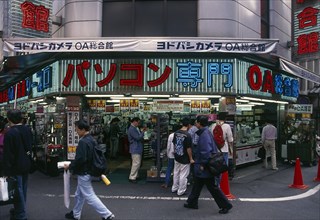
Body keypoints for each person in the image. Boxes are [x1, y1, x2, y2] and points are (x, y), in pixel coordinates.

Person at [64, 119, 115, 220]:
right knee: (79, 194)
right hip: (90, 170)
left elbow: (80, 159)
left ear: (82, 129)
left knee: (89, 196)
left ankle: (107, 215)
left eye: (77, 130)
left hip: (84, 172)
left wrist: (69, 166)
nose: (76, 132)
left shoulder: (83, 142)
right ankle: (75, 214)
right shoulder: (92, 139)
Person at [184, 115, 233, 214]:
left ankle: (226, 205)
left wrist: (203, 164)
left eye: (196, 122)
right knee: (197, 184)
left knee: (212, 187)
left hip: (204, 166)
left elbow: (205, 151)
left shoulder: (204, 135)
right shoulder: (206, 132)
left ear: (199, 123)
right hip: (204, 165)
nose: (195, 123)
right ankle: (192, 202)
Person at [3, 109, 33, 220]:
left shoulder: (9, 133)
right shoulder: (27, 130)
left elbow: (8, 154)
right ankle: (19, 210)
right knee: (22, 189)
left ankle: (21, 214)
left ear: (9, 119)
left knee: (17, 190)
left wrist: (6, 170)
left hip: (15, 165)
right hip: (26, 163)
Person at [171, 117, 194, 196]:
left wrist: (175, 152)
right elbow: (188, 148)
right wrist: (191, 158)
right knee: (183, 175)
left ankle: (174, 187)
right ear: (188, 125)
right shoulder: (187, 135)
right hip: (184, 158)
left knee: (176, 172)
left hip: (177, 156)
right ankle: (181, 191)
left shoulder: (176, 132)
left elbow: (174, 143)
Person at [161, 124, 180, 188]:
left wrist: (167, 153)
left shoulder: (171, 135)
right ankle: (176, 184)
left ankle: (166, 183)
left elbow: (168, 146)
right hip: (178, 155)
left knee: (169, 169)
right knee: (177, 170)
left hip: (171, 155)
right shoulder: (180, 135)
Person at [128, 117, 146, 183]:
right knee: (136, 163)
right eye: (138, 122)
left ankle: (135, 175)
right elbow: (138, 138)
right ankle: (132, 177)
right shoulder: (132, 129)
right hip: (135, 148)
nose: (138, 124)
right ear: (134, 121)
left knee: (137, 163)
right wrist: (143, 132)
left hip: (137, 147)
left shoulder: (135, 128)